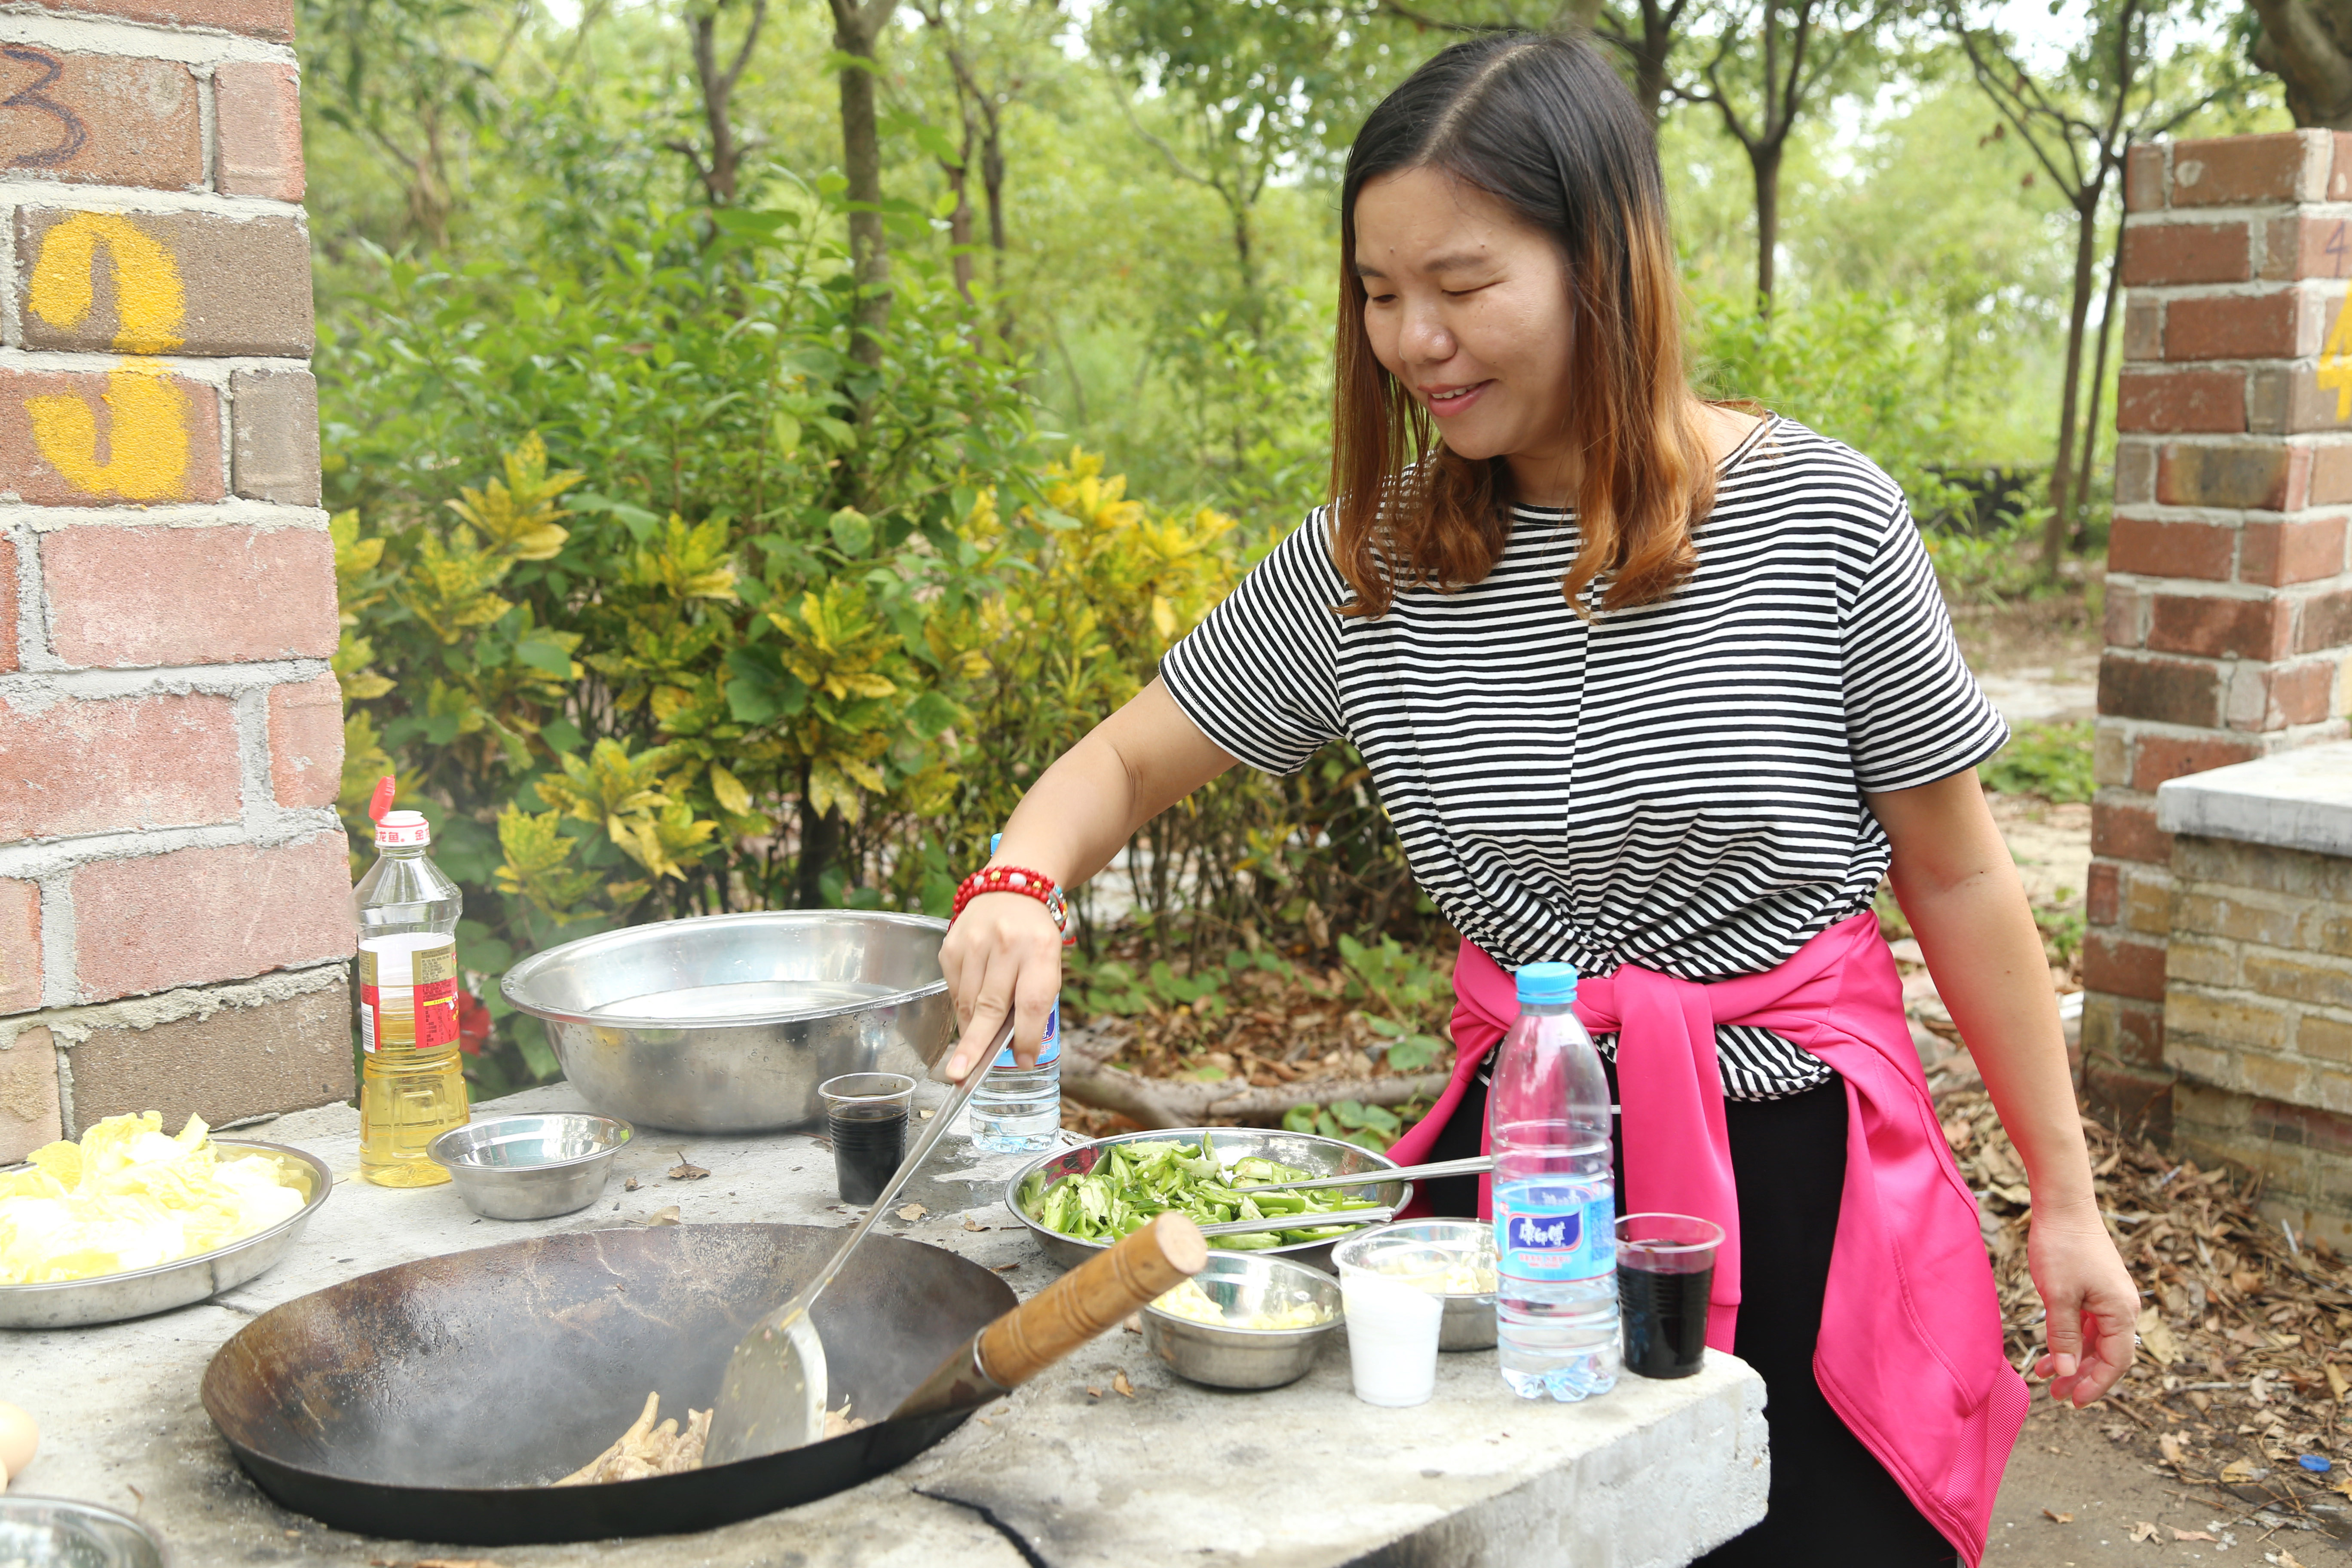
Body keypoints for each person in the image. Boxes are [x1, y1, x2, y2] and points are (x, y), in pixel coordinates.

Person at [939, 30, 2135, 1566]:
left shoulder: (1823, 513)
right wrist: (1017, 885)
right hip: (1532, 1171)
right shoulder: (1374, 561)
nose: (1414, 339)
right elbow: (1122, 758)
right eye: (1379, 294)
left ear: (1604, 264)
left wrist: (2065, 1197)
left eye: (1461, 282)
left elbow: (1960, 878)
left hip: (1803, 1180)